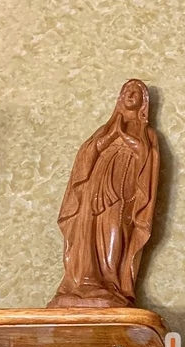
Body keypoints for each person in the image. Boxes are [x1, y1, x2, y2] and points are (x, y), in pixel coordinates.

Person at [49, 79, 159, 307]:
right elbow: (86, 153)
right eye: (127, 91)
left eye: (136, 92)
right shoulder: (105, 129)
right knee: (87, 230)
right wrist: (110, 136)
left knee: (115, 228)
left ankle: (110, 283)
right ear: (120, 98)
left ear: (143, 102)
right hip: (96, 185)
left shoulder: (147, 133)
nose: (130, 94)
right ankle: (82, 281)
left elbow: (148, 158)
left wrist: (125, 137)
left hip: (123, 189)